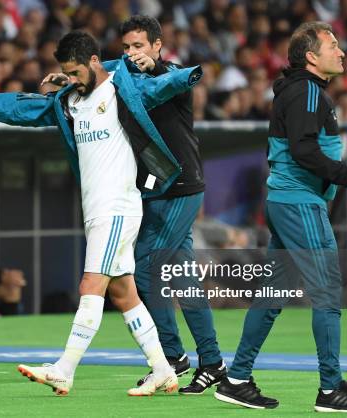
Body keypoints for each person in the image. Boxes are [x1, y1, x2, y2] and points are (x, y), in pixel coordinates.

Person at [0, 30, 204, 396]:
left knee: (90, 285)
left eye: (77, 72)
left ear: (95, 62)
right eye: (68, 73)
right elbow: (16, 109)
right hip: (96, 211)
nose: (74, 80)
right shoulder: (69, 101)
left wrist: (184, 72)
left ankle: (64, 369)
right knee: (124, 293)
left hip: (118, 209)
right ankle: (162, 369)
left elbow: (165, 84)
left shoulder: (122, 90)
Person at [214, 22, 347, 412]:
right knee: (327, 294)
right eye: (333, 45)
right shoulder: (306, 90)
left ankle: (236, 379)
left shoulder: (303, 90)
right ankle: (330, 390)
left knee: (271, 296)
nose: (341, 52)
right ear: (311, 56)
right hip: (299, 204)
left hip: (287, 202)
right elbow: (304, 151)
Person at [117, 15, 226, 394]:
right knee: (183, 278)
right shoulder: (125, 82)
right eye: (127, 47)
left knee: (145, 265)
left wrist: (157, 68)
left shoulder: (173, 76)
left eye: (139, 46)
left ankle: (172, 355)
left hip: (182, 187)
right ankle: (209, 361)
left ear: (157, 46)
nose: (132, 54)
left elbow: (172, 78)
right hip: (157, 189)